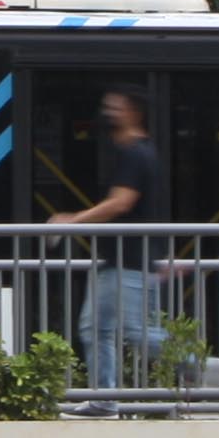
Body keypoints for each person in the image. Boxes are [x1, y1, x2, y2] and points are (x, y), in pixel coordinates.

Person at [50, 86, 161, 390]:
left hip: (132, 262)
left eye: (117, 107)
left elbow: (121, 202)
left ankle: (192, 359)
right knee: (94, 329)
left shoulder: (138, 154)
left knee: (139, 334)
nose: (109, 112)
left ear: (134, 113)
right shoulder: (129, 152)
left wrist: (73, 221)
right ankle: (104, 398)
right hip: (116, 262)